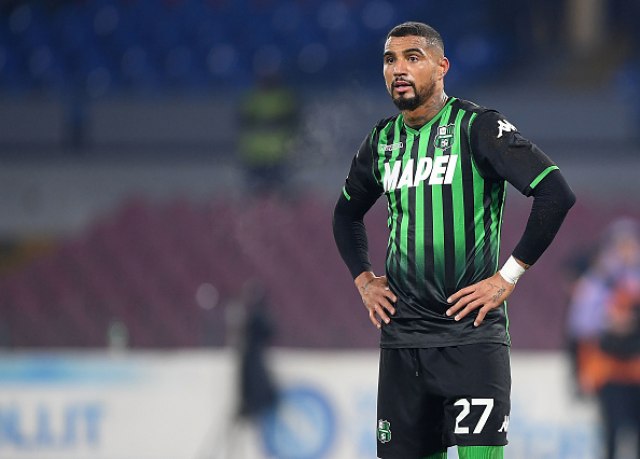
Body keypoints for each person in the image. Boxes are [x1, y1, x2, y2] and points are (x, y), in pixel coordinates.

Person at [332, 22, 576, 459]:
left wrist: (507, 277)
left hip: (472, 340)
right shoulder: (382, 140)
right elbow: (346, 214)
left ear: (441, 67)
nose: (399, 69)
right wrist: (364, 280)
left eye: (413, 58)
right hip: (403, 342)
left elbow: (555, 193)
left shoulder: (477, 127)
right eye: (390, 60)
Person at [567, 219, 640, 459]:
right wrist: (608, 320)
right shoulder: (597, 282)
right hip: (609, 371)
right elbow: (579, 324)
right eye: (621, 246)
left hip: (636, 369)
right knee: (612, 433)